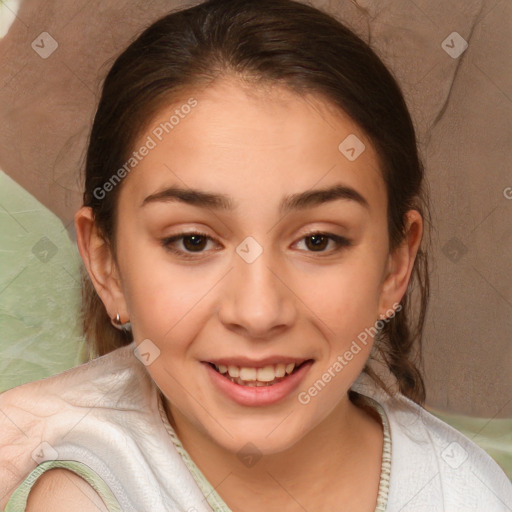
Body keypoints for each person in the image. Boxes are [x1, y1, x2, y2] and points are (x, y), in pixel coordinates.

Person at [1, 0, 511, 510]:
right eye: (193, 241)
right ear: (106, 265)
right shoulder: (88, 496)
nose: (259, 311)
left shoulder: (467, 492)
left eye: (318, 241)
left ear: (394, 266)